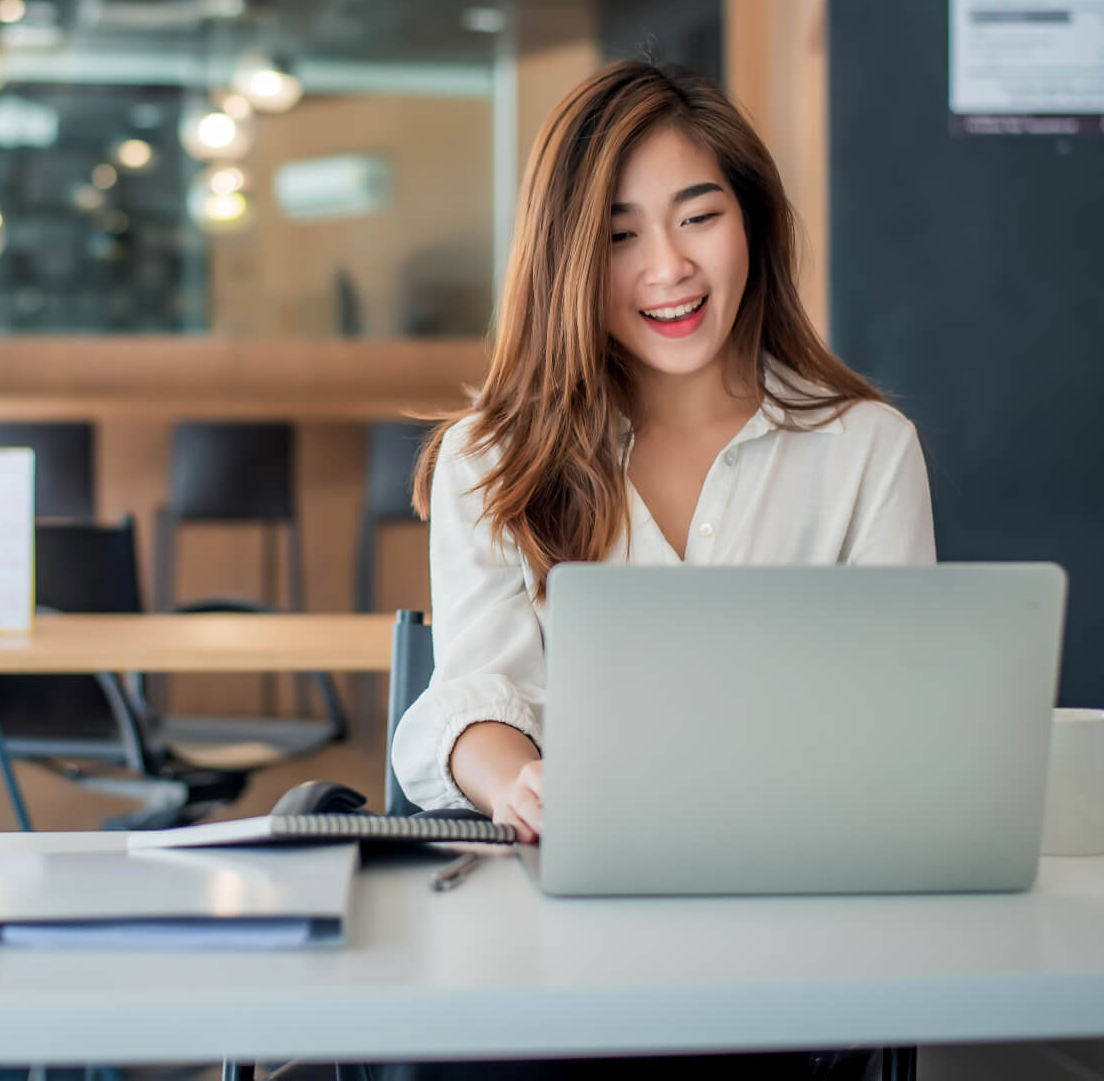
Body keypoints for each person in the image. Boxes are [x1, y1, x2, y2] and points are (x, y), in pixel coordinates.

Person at [392, 59, 937, 845]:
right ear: (568, 259)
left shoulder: (868, 451)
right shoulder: (492, 458)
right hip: (582, 881)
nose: (668, 267)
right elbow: (480, 696)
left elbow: (902, 712)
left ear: (751, 221)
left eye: (699, 217)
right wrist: (521, 783)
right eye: (620, 234)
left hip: (810, 871)